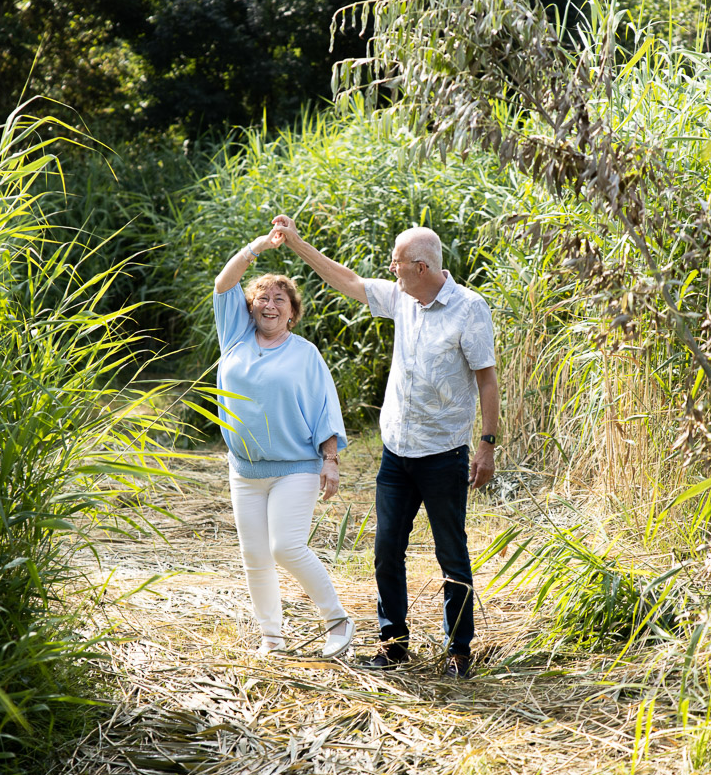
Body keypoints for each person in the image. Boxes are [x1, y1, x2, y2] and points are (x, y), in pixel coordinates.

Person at [271, 216, 499, 679]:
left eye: (395, 263)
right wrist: (296, 243)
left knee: (451, 552)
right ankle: (393, 645)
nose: (389, 270)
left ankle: (459, 650)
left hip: (443, 453)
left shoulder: (469, 309)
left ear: (420, 266)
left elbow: (487, 379)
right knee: (386, 549)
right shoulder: (402, 297)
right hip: (397, 452)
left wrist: (487, 445)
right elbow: (347, 279)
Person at [212, 229, 354, 658]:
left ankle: (338, 621)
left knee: (285, 546)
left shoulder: (305, 354)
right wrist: (258, 246)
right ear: (249, 307)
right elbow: (223, 283)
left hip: (295, 465)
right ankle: (271, 638)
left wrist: (330, 460)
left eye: (280, 300)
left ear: (292, 313)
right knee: (255, 554)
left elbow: (324, 408)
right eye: (262, 298)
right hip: (245, 468)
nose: (269, 305)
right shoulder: (234, 336)